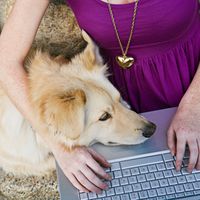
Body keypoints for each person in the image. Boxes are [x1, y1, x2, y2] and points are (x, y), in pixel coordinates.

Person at [0, 0, 199, 194]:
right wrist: (59, 144)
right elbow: (5, 60)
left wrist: (194, 106)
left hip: (191, 80)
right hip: (114, 92)